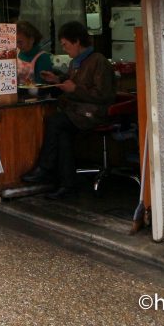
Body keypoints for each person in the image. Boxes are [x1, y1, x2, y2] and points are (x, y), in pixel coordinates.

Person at [21, 21, 116, 200]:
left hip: (93, 114)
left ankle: (45, 167)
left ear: (77, 41)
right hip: (77, 113)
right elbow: (77, 81)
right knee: (62, 135)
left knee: (55, 121)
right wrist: (57, 79)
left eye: (65, 44)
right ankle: (67, 186)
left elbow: (104, 95)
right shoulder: (76, 62)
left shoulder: (98, 61)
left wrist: (74, 89)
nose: (64, 48)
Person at [15, 20, 54, 87]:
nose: (17, 45)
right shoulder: (16, 52)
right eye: (15, 42)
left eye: (20, 42)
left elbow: (42, 87)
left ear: (31, 40)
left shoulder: (43, 58)